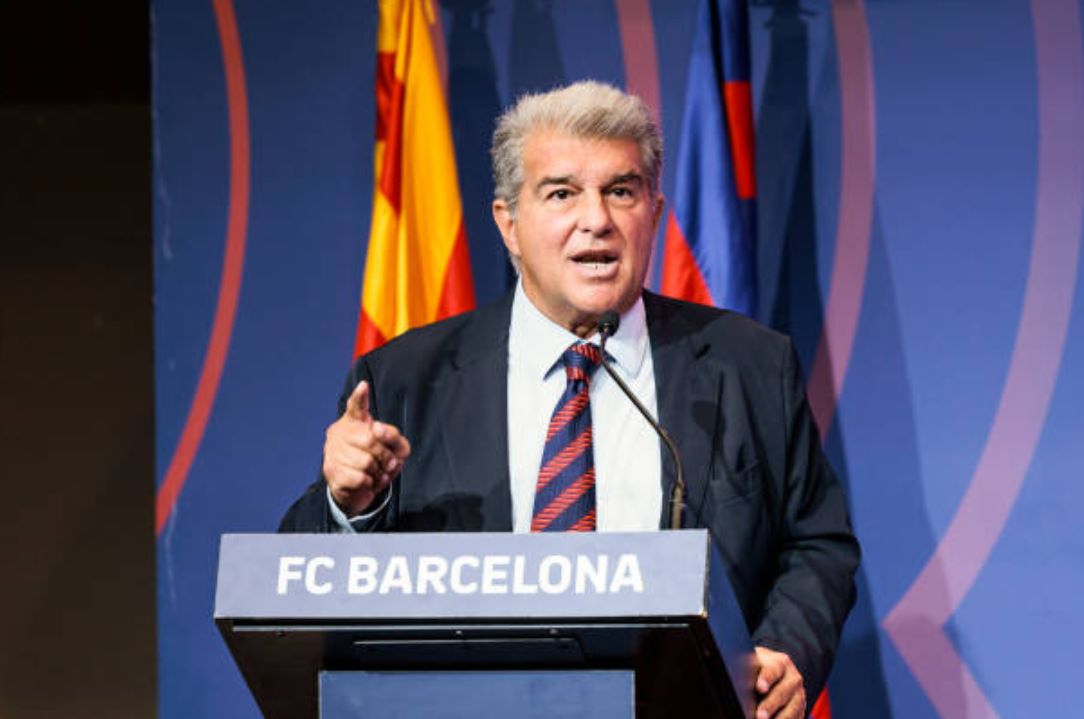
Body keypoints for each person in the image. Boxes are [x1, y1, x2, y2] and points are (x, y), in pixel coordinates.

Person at [281, 80, 859, 719]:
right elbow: (301, 587)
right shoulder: (405, 378)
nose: (597, 220)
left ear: (654, 212)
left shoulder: (750, 365)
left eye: (621, 191)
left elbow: (817, 545)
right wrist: (348, 507)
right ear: (508, 224)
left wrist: (783, 651)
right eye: (562, 193)